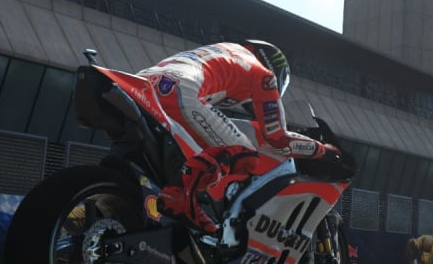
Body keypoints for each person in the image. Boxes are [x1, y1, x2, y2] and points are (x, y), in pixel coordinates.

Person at [135, 40, 336, 234]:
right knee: (246, 155)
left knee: (195, 151)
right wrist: (322, 149)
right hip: (183, 92)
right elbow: (278, 139)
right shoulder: (264, 75)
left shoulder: (223, 51)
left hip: (144, 84)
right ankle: (180, 196)